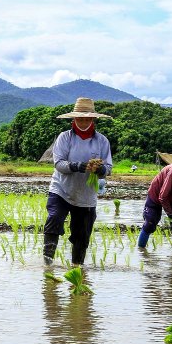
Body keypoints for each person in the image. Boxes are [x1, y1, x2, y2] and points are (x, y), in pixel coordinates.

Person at [43, 97, 113, 266]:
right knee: (54, 219)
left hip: (86, 194)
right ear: (74, 119)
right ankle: (47, 264)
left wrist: (100, 169)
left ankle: (77, 269)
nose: (83, 122)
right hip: (61, 189)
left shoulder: (102, 141)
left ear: (93, 119)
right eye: (79, 118)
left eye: (86, 119)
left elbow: (108, 168)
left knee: (82, 235)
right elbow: (59, 164)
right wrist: (78, 166)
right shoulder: (64, 138)